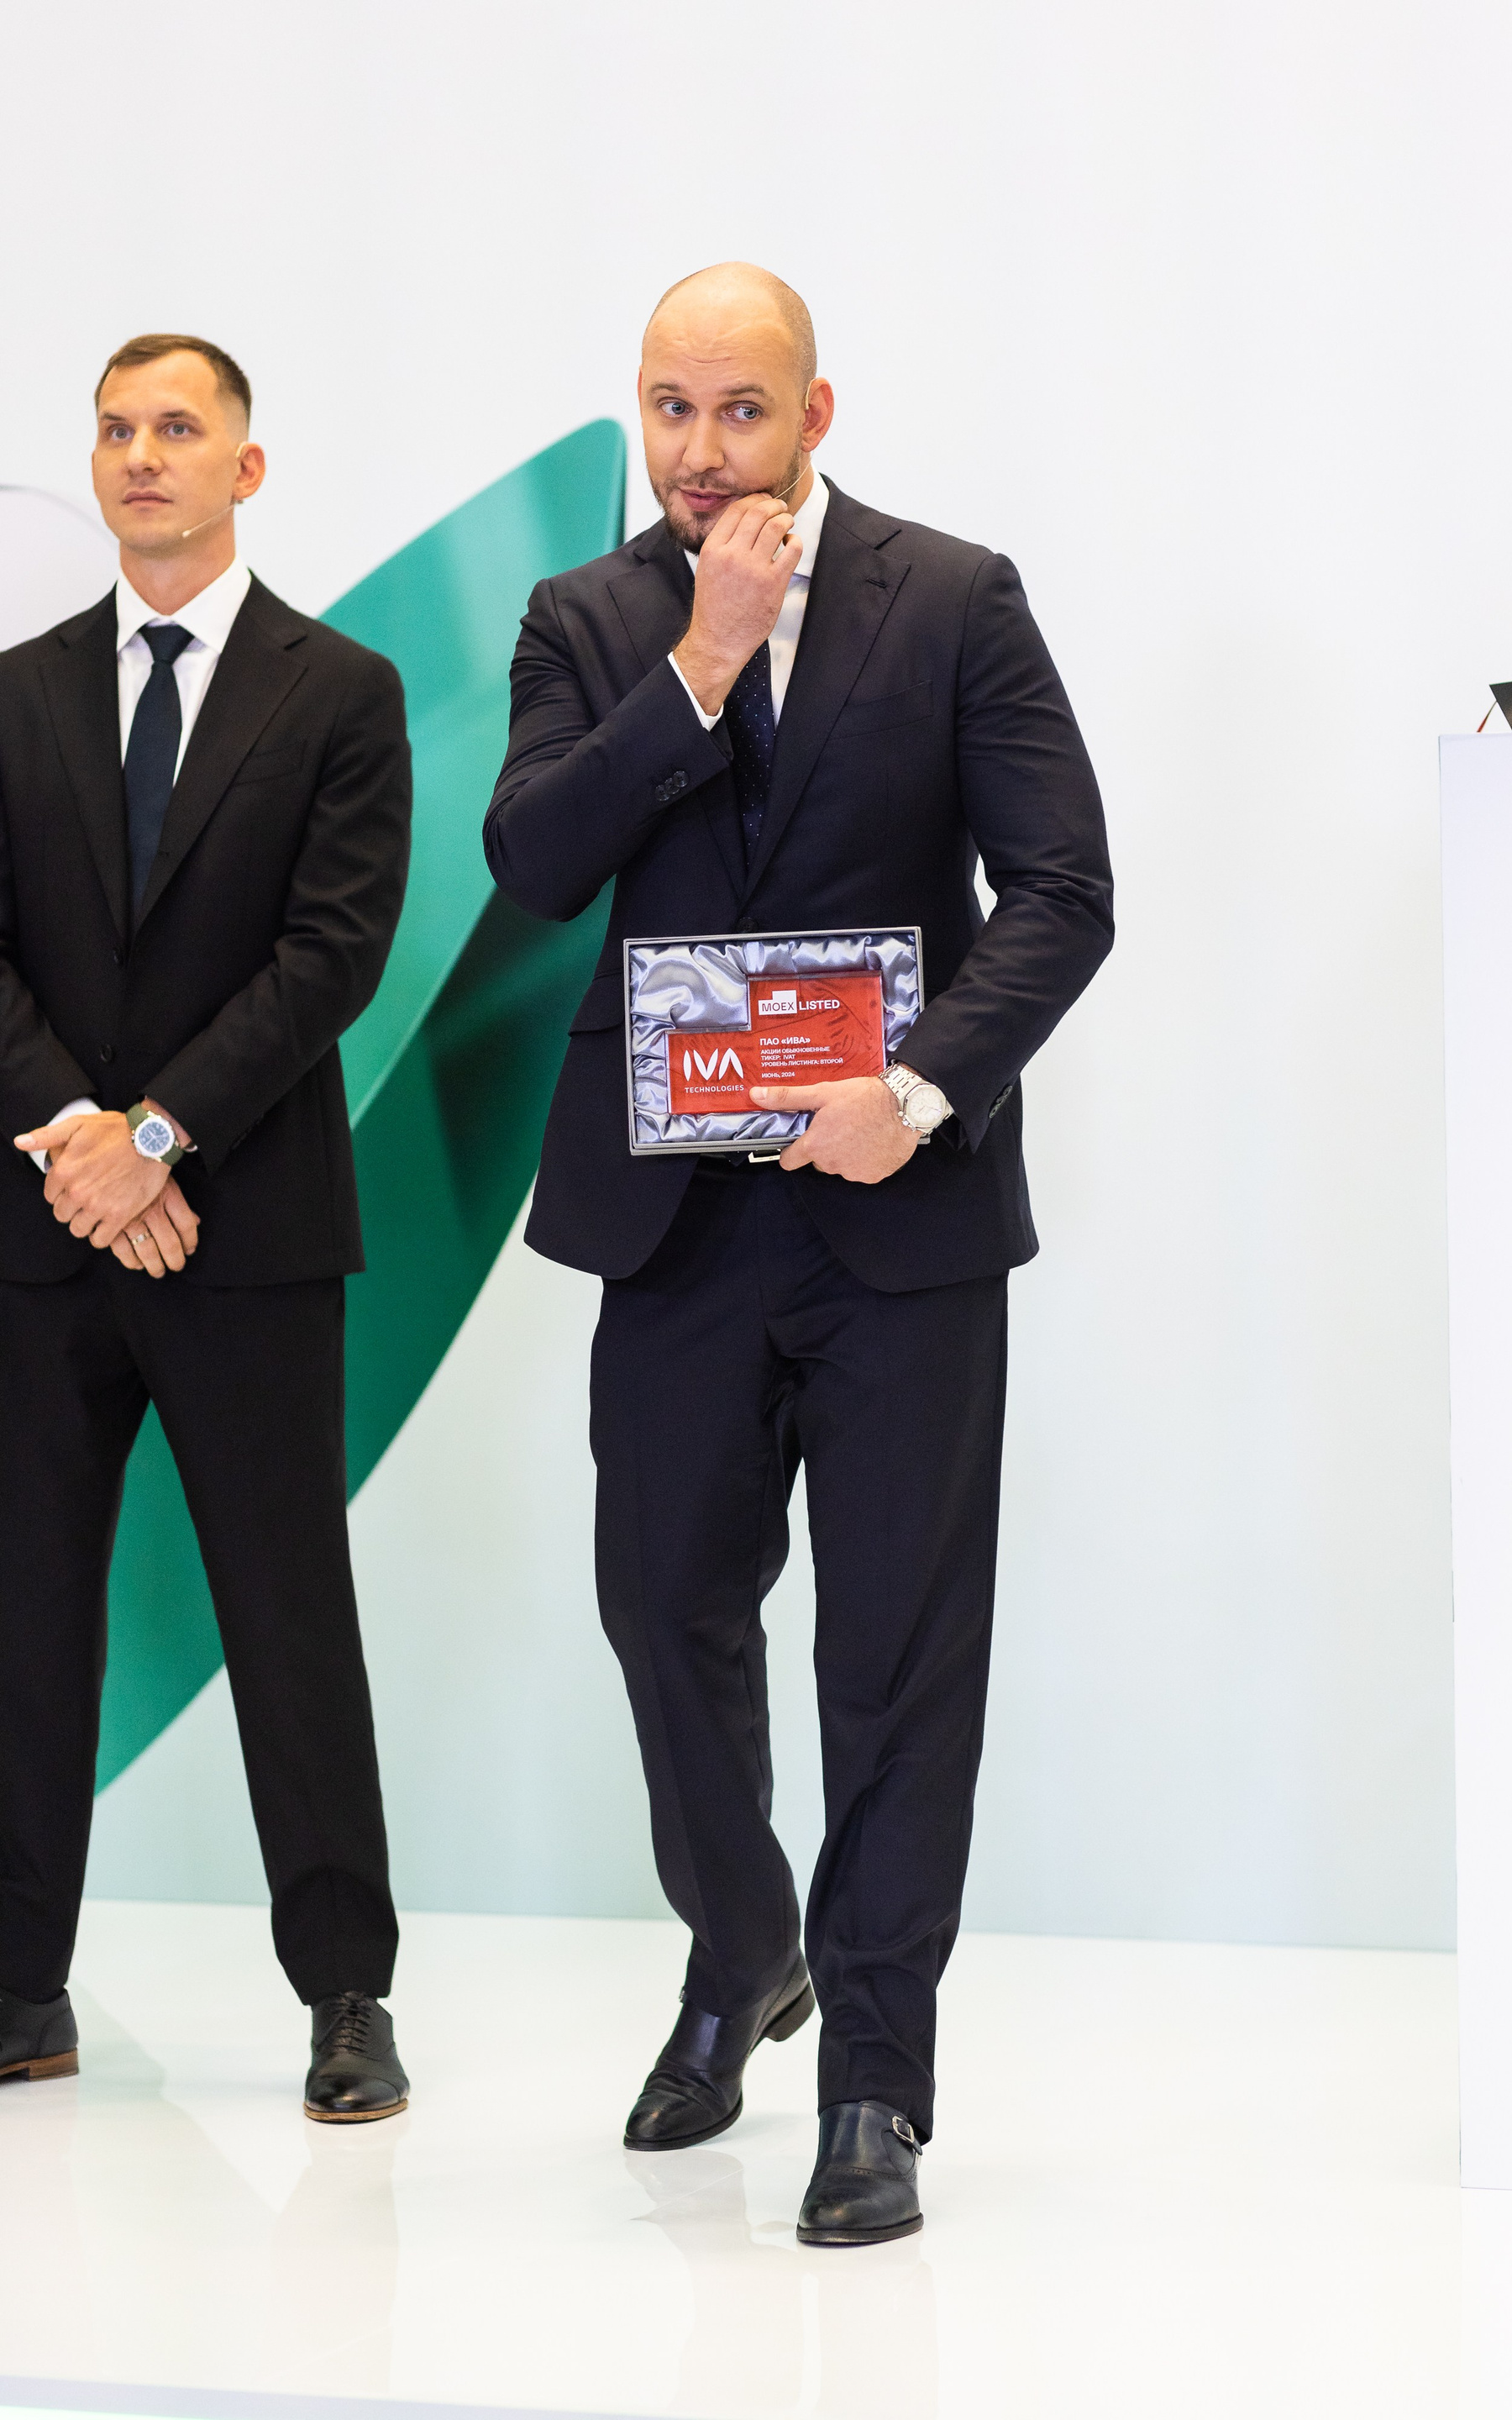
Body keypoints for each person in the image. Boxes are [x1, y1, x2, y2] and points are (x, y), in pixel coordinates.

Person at [485, 264, 1113, 2242]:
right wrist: (701, 661)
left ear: (815, 415)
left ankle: (872, 2086)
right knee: (661, 1609)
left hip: (897, 1216)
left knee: (897, 1656)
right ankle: (742, 1938)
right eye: (668, 408)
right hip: (673, 1221)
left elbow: (1064, 889)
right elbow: (533, 863)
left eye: (739, 410)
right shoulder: (589, 619)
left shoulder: (956, 597)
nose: (699, 450)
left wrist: (916, 1091)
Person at [0, 334, 412, 2121]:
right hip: (41, 1237)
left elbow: (336, 952)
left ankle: (347, 1997)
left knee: (288, 1616)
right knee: (25, 1619)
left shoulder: (342, 691)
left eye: (178, 428)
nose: (141, 456)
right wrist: (81, 1149)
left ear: (246, 468)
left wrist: (156, 1141)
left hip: (246, 1235)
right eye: (116, 430)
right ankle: (19, 1984)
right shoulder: (12, 695)